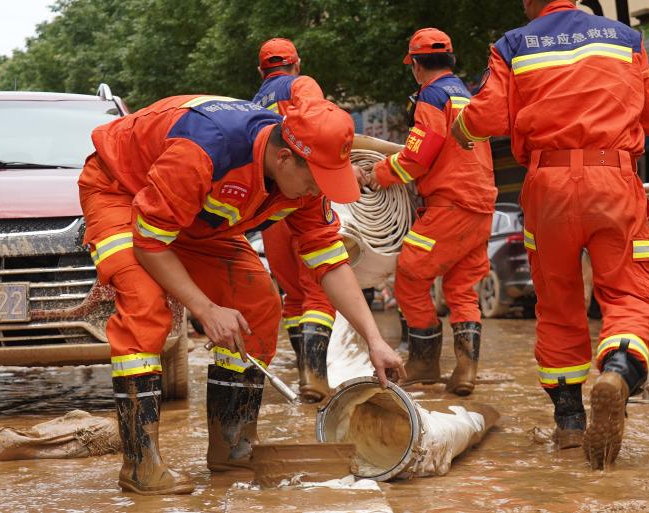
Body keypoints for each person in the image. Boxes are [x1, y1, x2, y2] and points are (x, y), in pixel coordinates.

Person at [79, 94, 405, 494]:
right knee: (145, 307)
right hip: (122, 193)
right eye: (314, 180)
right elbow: (150, 242)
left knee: (259, 303)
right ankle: (140, 465)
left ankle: (231, 450)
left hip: (195, 217)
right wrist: (206, 308)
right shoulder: (203, 150)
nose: (315, 191)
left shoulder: (302, 177)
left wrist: (375, 340)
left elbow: (330, 262)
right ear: (284, 158)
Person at [451, 0, 649, 469]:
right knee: (629, 296)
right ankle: (617, 370)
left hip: (547, 186)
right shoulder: (627, 39)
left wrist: (459, 128)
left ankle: (570, 427)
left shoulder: (511, 45)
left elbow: (485, 116)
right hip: (613, 182)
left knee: (557, 305)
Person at [361, 28, 498, 396]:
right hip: (481, 203)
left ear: (416, 67)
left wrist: (378, 174)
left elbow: (419, 155)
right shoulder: (466, 95)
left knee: (410, 274)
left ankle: (425, 361)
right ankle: (466, 370)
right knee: (461, 288)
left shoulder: (431, 96)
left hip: (449, 203)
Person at [252, 37, 337, 402]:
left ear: (261, 71)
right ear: (296, 63)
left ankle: (303, 372)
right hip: (303, 195)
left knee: (293, 295)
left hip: (270, 210)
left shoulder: (253, 103)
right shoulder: (302, 85)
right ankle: (315, 378)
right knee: (319, 286)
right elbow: (318, 130)